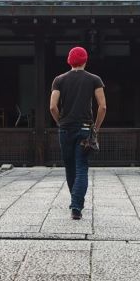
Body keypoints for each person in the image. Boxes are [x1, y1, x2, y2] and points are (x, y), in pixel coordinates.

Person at [49, 46, 107, 220]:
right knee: (81, 167)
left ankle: (75, 202)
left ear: (69, 60)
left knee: (70, 167)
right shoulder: (94, 79)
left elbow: (52, 106)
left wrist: (60, 122)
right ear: (85, 60)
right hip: (84, 128)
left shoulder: (59, 80)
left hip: (65, 129)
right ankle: (76, 207)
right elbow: (103, 107)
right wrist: (96, 127)